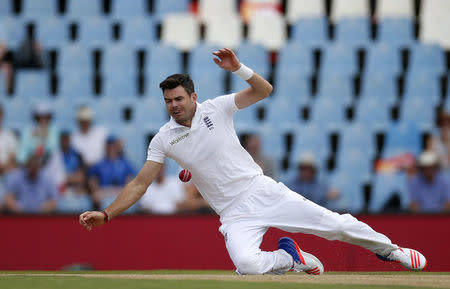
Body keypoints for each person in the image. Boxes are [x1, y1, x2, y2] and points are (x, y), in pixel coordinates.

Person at [79, 48, 426, 275]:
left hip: (261, 190)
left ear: (193, 96)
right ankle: (290, 258)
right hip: (233, 213)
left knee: (334, 224)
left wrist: (239, 68)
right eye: (168, 100)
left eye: (179, 98)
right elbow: (141, 182)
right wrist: (107, 213)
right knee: (247, 265)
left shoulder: (217, 107)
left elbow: (264, 91)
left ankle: (391, 250)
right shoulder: (164, 138)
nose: (173, 105)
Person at [87, 135, 135, 207]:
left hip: (120, 191)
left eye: (113, 145)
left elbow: (130, 179)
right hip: (104, 192)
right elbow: (92, 179)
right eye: (109, 145)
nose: (111, 148)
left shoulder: (125, 163)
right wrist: (95, 190)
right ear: (106, 147)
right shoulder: (100, 163)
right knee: (96, 196)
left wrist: (125, 190)